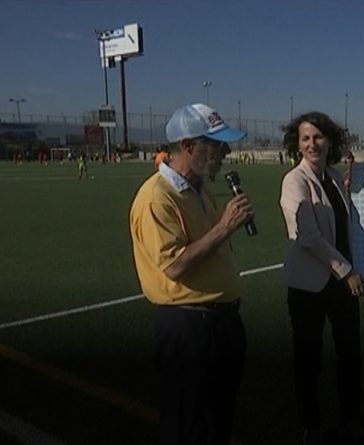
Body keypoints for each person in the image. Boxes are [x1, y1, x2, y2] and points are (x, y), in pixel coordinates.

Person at [129, 103, 252, 445]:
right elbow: (175, 266)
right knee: (190, 427)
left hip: (218, 324)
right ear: (187, 146)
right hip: (190, 327)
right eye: (215, 145)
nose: (224, 153)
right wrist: (224, 227)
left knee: (216, 424)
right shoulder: (156, 198)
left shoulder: (198, 189)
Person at [279, 111, 364, 445]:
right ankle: (311, 427)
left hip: (341, 285)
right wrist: (346, 271)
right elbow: (308, 237)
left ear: (330, 141)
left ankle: (351, 419)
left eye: (318, 137)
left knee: (350, 355)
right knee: (308, 361)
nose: (312, 143)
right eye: (305, 138)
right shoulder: (294, 181)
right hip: (310, 287)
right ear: (297, 144)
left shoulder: (332, 177)